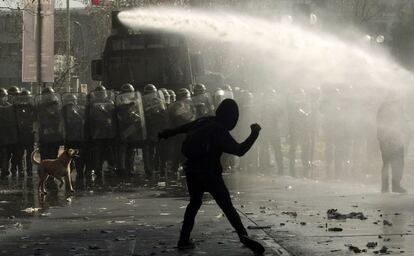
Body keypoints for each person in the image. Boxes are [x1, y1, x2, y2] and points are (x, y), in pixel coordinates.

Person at [159, 99, 265, 255]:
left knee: (194, 203)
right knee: (226, 206)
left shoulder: (205, 120)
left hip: (191, 169)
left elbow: (185, 127)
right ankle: (243, 235)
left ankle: (183, 239)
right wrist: (254, 134)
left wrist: (167, 133)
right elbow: (239, 150)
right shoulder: (219, 129)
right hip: (209, 172)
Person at [377, 93, 408, 193]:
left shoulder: (383, 107)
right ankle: (394, 186)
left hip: (389, 139)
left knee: (388, 163)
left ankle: (386, 187)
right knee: (396, 163)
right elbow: (403, 122)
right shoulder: (395, 108)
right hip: (392, 139)